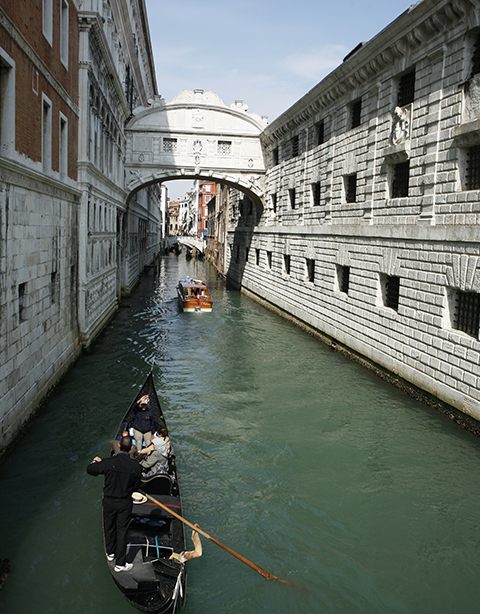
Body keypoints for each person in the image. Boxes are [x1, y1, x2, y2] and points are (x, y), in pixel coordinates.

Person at [87, 435, 141, 572]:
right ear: (130, 448)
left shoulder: (108, 462)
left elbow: (90, 470)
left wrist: (95, 461)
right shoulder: (135, 466)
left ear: (118, 446)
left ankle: (110, 553)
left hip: (109, 501)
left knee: (109, 526)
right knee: (122, 531)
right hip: (124, 503)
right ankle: (120, 564)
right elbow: (135, 486)